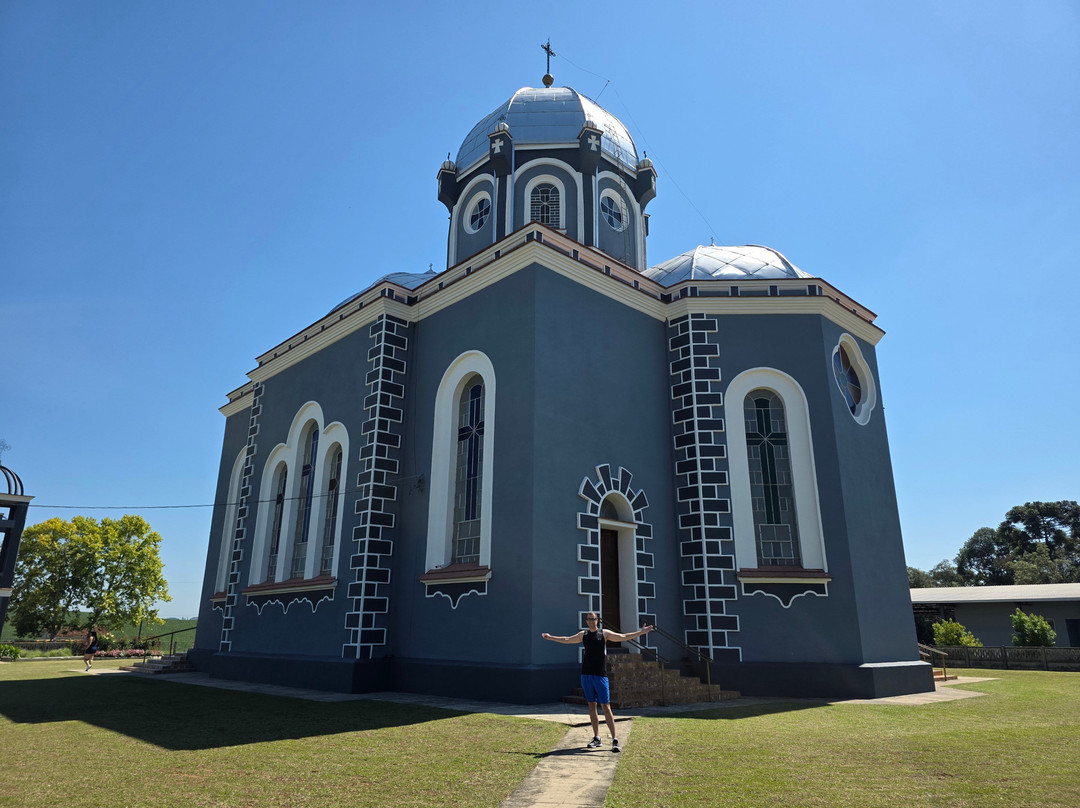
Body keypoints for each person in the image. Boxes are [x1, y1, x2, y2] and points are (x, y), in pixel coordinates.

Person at [542, 612, 653, 753]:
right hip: (586, 675)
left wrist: (641, 632)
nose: (591, 621)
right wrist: (551, 637)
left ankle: (614, 740)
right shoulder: (584, 635)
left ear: (597, 620)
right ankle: (597, 738)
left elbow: (623, 637)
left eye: (593, 619)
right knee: (591, 706)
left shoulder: (604, 633)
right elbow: (567, 639)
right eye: (589, 619)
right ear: (586, 621)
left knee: (606, 707)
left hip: (600, 675)